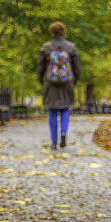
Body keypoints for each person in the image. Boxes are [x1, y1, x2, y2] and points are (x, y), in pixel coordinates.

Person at [38, 21, 80, 150]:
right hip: (67, 84)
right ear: (64, 31)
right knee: (65, 109)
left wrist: (42, 80)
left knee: (52, 111)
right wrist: (73, 81)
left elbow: (40, 67)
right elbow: (77, 68)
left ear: (52, 32)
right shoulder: (71, 48)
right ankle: (63, 132)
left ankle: (54, 142)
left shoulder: (46, 48)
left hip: (50, 84)